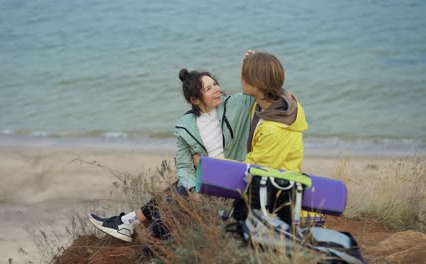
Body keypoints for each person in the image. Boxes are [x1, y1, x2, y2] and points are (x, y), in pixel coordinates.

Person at [89, 68, 254, 242]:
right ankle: (130, 224)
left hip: (231, 180)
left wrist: (248, 66)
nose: (217, 89)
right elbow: (184, 166)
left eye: (215, 84)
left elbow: (257, 89)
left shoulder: (235, 105)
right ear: (195, 100)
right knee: (180, 190)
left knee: (176, 193)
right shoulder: (186, 125)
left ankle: (130, 224)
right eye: (208, 88)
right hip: (206, 183)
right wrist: (193, 190)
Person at [240, 51, 322, 224]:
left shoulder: (275, 129)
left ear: (259, 82)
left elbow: (253, 170)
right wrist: (252, 63)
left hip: (279, 201)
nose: (241, 77)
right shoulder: (279, 103)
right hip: (273, 187)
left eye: (245, 74)